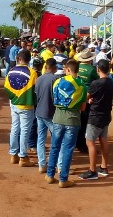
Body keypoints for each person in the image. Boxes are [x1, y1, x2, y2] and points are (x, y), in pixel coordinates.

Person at [44, 59, 87, 188]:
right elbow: (83, 108)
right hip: (72, 120)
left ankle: (50, 175)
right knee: (68, 149)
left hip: (57, 118)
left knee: (54, 147)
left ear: (68, 70)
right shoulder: (82, 85)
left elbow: (54, 99)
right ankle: (63, 179)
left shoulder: (57, 82)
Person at [79, 59, 113, 180]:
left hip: (95, 116)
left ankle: (92, 170)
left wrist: (89, 100)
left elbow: (87, 96)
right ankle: (104, 167)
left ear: (98, 69)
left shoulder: (96, 83)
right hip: (105, 114)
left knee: (90, 142)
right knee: (103, 139)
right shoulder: (110, 82)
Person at [5, 49, 37, 167]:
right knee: (24, 131)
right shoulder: (32, 73)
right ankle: (23, 156)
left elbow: (6, 88)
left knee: (15, 128)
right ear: (29, 60)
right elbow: (35, 90)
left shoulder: (11, 71)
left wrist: (14, 97)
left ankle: (13, 155)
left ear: (18, 58)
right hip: (26, 105)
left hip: (14, 103)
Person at [34, 58, 58, 173]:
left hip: (39, 111)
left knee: (41, 139)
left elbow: (37, 95)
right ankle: (56, 163)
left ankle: (42, 164)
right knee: (56, 138)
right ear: (54, 67)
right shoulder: (55, 79)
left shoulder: (39, 79)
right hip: (51, 113)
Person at [75, 49, 99, 154]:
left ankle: (77, 142)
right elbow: (97, 81)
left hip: (76, 96)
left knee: (77, 120)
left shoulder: (77, 67)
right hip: (88, 96)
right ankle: (83, 145)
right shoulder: (92, 69)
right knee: (85, 121)